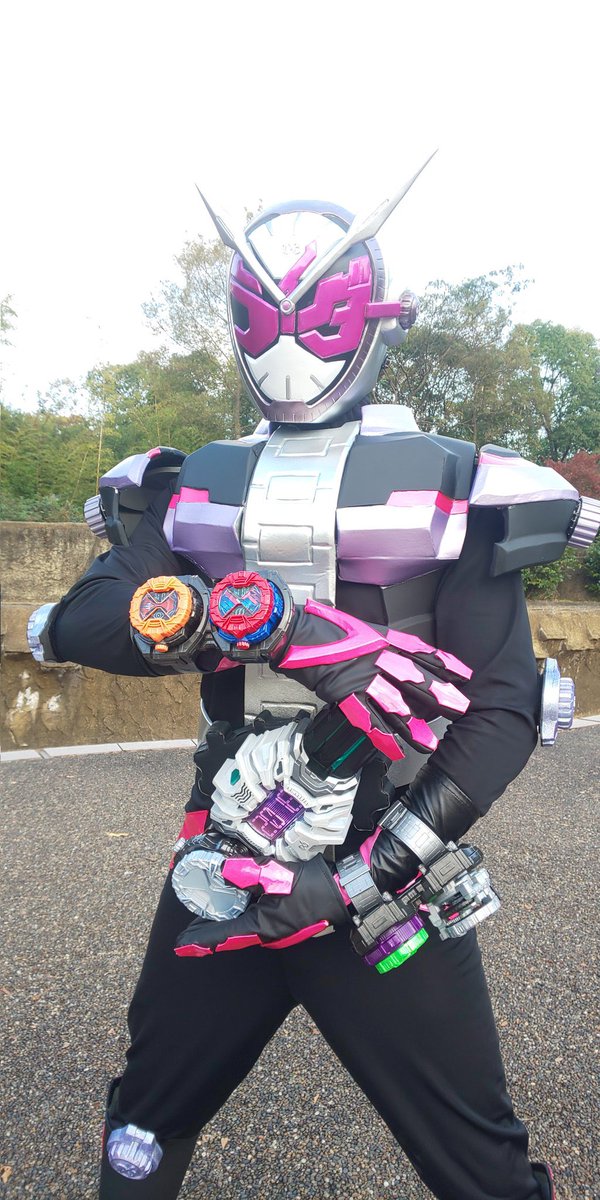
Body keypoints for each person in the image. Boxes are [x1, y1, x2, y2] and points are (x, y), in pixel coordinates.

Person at [28, 166, 598, 1199]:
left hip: (387, 858)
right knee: (144, 1123)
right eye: (267, 315)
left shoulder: (459, 481)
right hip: (229, 845)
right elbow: (82, 618)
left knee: (481, 1166)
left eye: (315, 313)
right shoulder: (196, 480)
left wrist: (363, 878)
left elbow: (503, 708)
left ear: (370, 315)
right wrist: (269, 625)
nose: (289, 342)